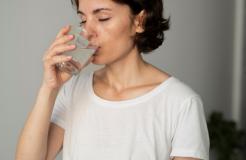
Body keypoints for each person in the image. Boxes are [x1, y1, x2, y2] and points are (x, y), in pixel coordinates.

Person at [16, 0, 210, 159]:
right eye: (83, 20)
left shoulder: (182, 103)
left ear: (139, 21)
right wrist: (49, 89)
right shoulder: (73, 90)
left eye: (103, 18)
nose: (87, 32)